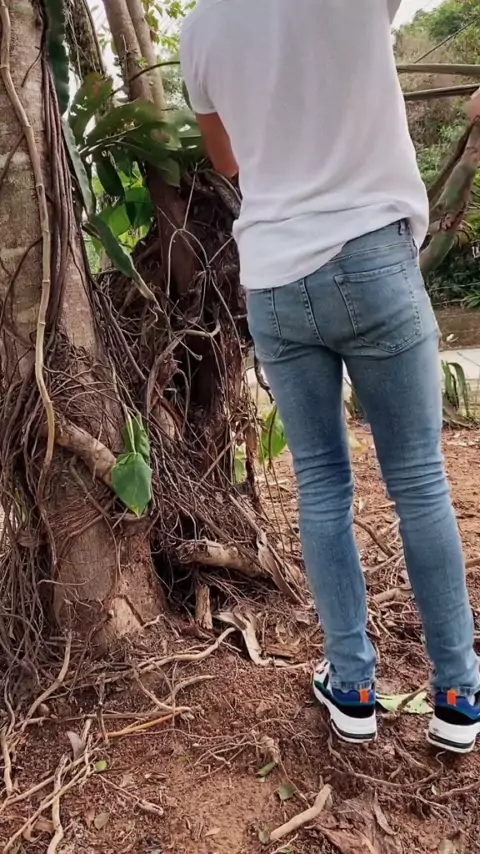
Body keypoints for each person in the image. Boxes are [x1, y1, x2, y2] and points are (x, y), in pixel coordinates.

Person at [180, 0, 480, 753]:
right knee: (418, 481)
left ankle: (351, 686)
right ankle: (456, 695)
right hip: (372, 255)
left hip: (275, 280)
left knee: (321, 484)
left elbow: (226, 159)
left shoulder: (201, 26)